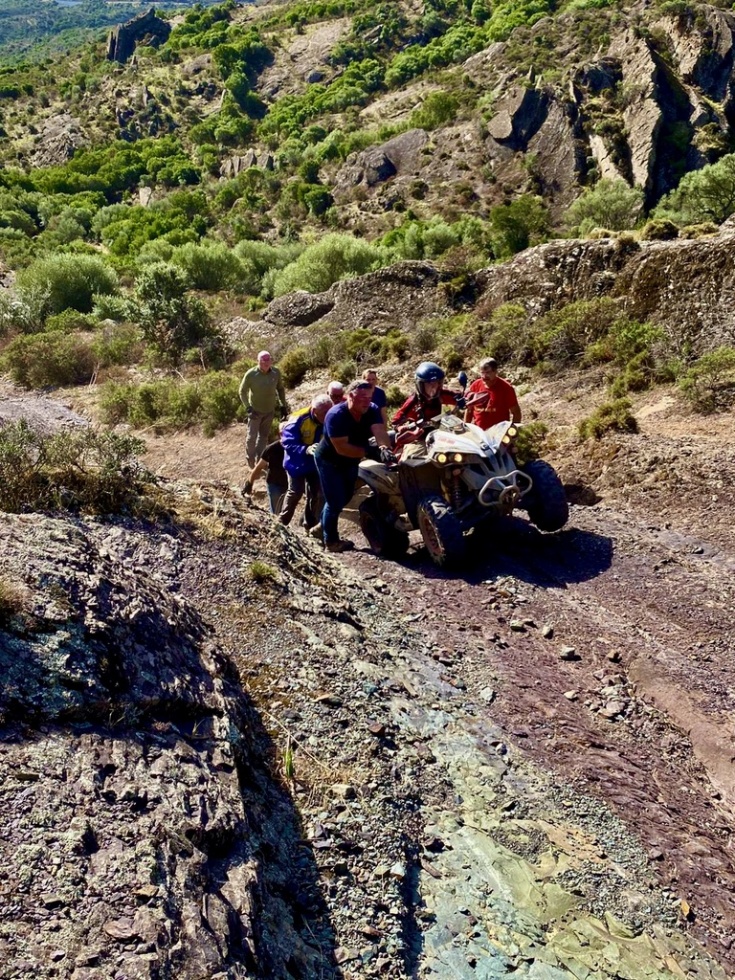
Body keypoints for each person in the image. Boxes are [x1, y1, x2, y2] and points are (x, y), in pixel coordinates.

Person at [314, 379, 395, 553]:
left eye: (369, 397)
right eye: (362, 397)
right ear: (350, 396)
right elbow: (342, 448)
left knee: (346, 496)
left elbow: (380, 431)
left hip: (351, 460)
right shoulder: (336, 415)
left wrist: (384, 448)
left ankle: (322, 527)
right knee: (335, 501)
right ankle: (331, 541)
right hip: (329, 460)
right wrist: (368, 451)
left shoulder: (371, 409)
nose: (367, 401)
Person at [279, 394, 332, 530]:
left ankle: (310, 525)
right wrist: (305, 449)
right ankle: (281, 523)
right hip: (296, 462)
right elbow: (287, 442)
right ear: (314, 411)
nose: (327, 416)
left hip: (315, 463)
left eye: (329, 412)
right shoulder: (298, 419)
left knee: (316, 493)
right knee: (295, 492)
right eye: (324, 413)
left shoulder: (331, 418)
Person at [239, 351, 289, 469]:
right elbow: (242, 391)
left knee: (263, 437)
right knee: (251, 437)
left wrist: (283, 405)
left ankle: (259, 463)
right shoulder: (251, 374)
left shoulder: (276, 372)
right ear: (258, 361)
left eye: (268, 360)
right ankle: (250, 461)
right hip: (255, 411)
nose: (266, 363)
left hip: (269, 411)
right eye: (263, 360)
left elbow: (280, 389)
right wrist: (248, 408)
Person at [392, 362, 465, 429]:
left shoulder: (442, 394)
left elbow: (461, 397)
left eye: (435, 383)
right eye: (428, 384)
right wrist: (404, 427)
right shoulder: (413, 402)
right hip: (421, 436)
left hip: (441, 433)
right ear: (420, 385)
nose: (433, 388)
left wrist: (463, 400)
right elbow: (395, 422)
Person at [464, 357, 521, 429]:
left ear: (495, 372)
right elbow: (469, 410)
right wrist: (466, 427)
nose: (484, 376)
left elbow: (516, 413)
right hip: (479, 432)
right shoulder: (475, 385)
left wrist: (512, 431)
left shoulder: (506, 388)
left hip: (499, 432)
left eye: (488, 373)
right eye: (482, 373)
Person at [242, 439, 288, 515]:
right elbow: (258, 467)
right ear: (280, 434)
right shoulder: (272, 448)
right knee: (276, 513)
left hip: (288, 485)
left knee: (283, 511)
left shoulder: (294, 447)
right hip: (274, 484)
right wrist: (249, 483)